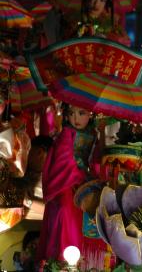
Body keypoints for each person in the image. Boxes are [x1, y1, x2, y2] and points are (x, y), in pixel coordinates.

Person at [37, 104, 101, 263]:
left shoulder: (93, 134)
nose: (75, 118)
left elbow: (94, 160)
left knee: (86, 218)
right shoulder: (65, 133)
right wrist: (78, 175)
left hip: (83, 182)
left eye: (81, 112)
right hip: (66, 183)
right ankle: (61, 258)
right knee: (65, 213)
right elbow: (62, 159)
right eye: (71, 113)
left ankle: (81, 258)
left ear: (91, 115)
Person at [62, 0, 131, 47]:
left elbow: (125, 44)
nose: (96, 4)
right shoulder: (73, 21)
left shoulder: (112, 25)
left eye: (102, 0)